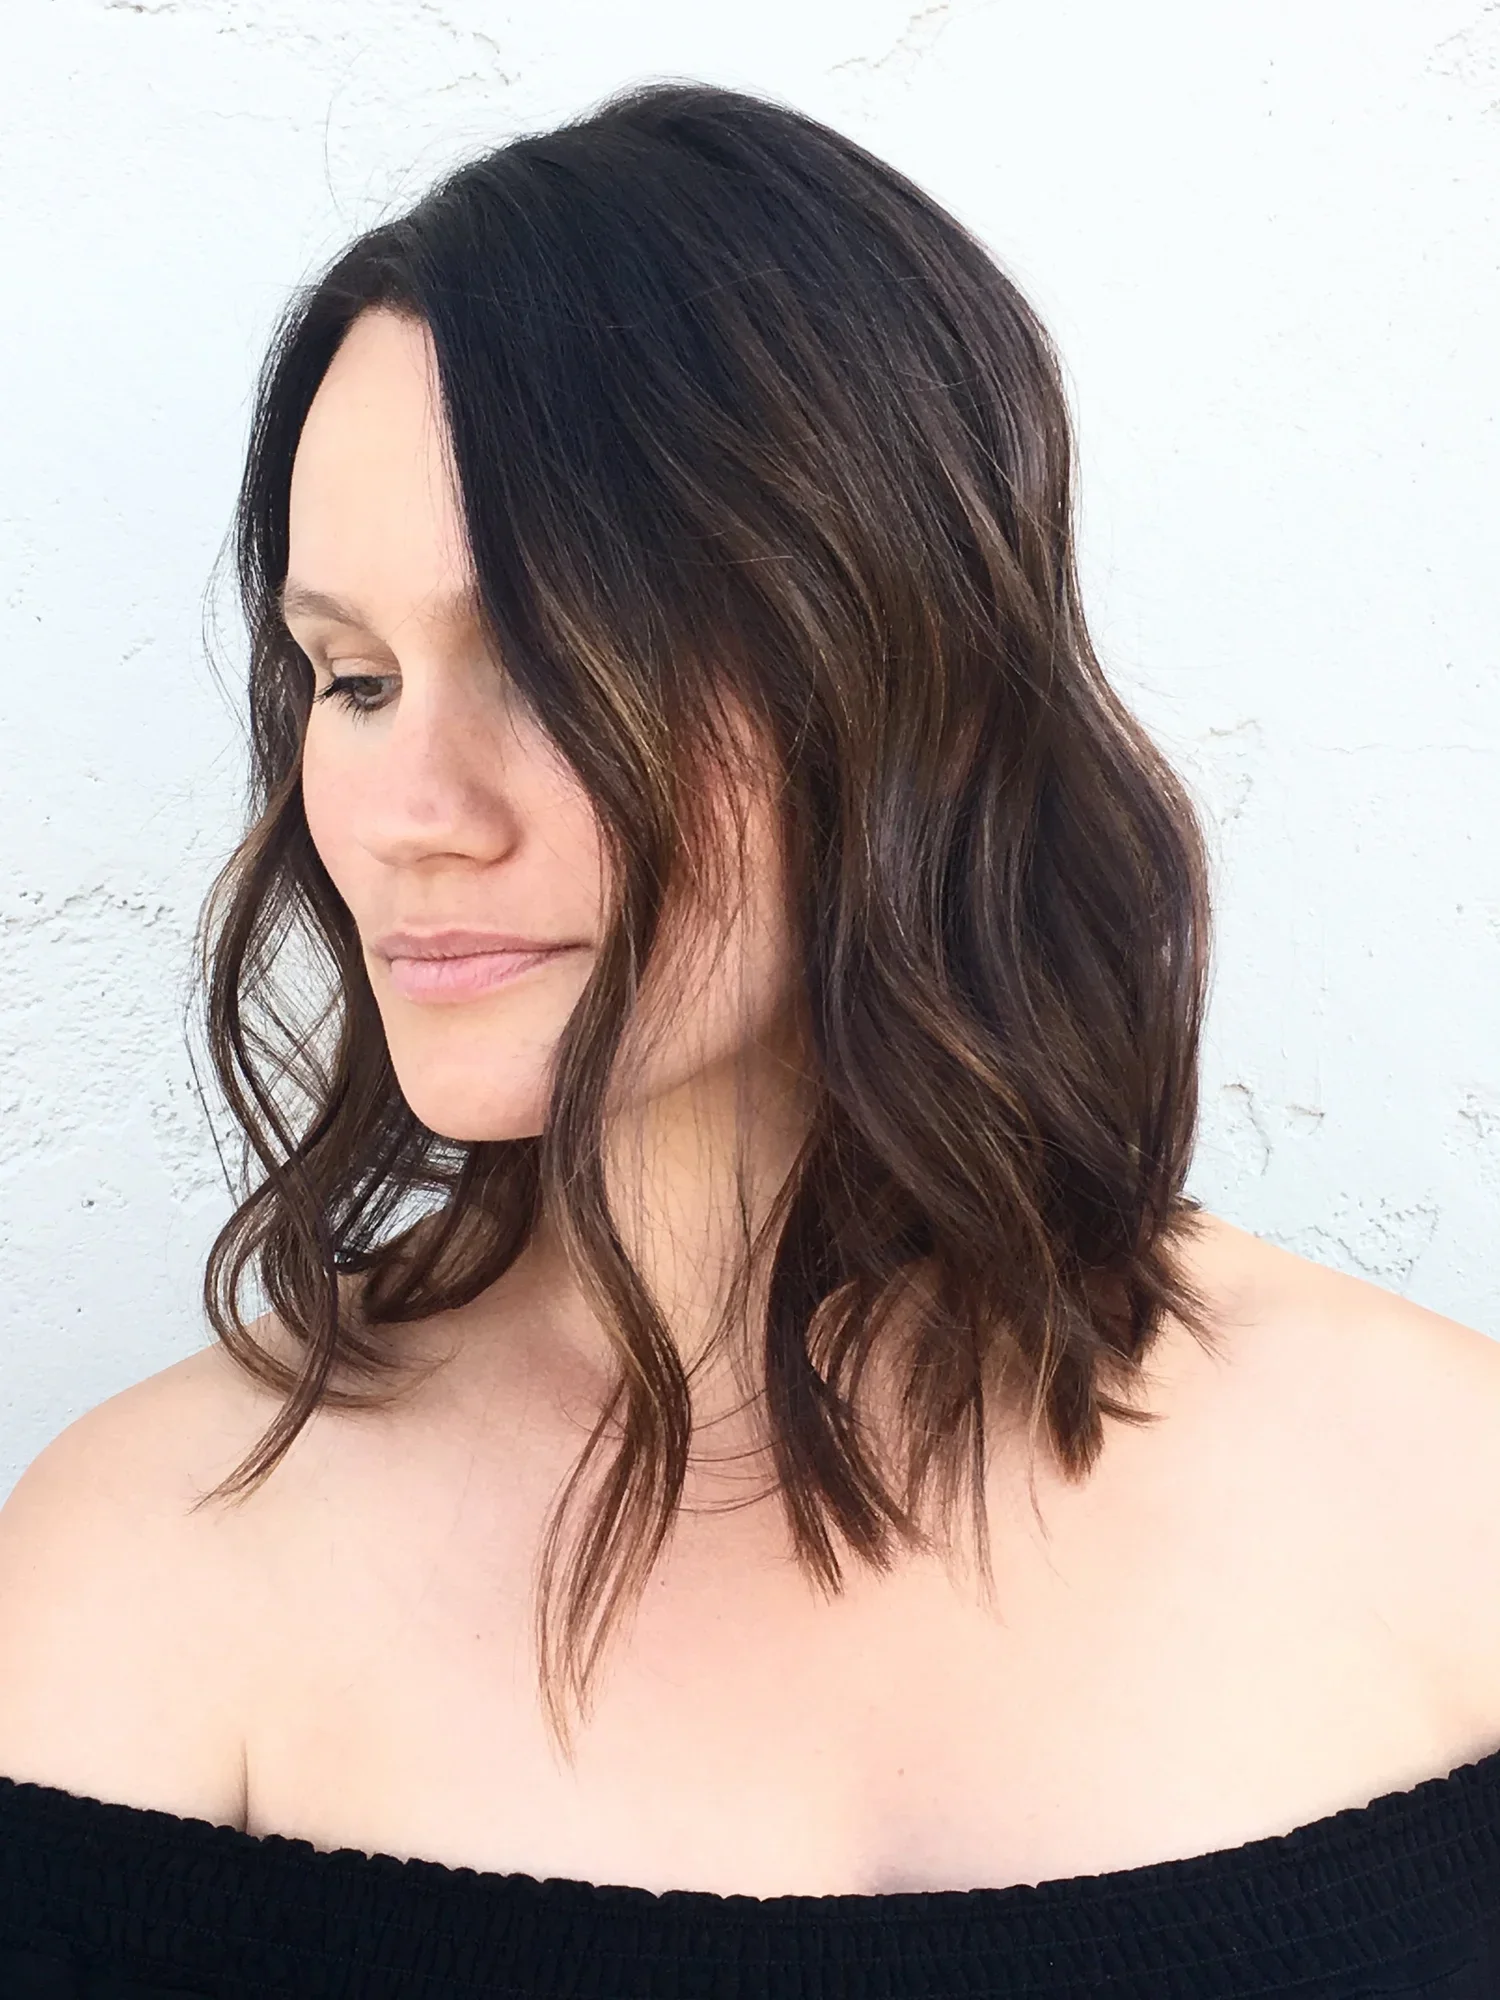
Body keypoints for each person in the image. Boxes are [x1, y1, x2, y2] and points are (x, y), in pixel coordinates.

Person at [0, 79, 1497, 2000]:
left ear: (900, 674)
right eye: (351, 678)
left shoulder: (1437, 1497)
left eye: (554, 662)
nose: (404, 813)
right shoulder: (150, 1565)